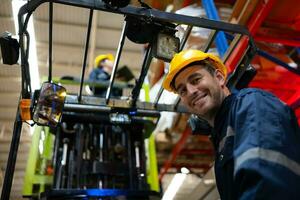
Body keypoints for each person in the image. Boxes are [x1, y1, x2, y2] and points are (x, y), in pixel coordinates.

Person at [162, 49, 300, 199]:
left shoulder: (250, 103)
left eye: (196, 80)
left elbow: (265, 183)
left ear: (219, 78)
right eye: (182, 91)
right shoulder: (223, 133)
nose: (191, 91)